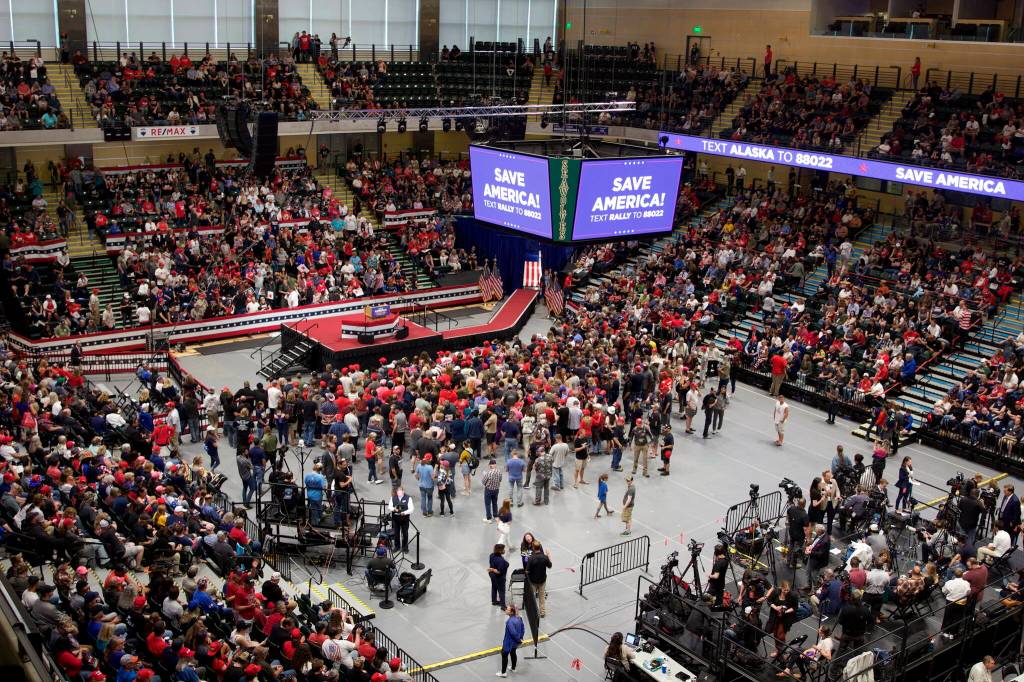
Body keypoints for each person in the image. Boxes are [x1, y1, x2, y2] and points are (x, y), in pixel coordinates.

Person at [765, 580, 798, 658]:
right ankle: (778, 650)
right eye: (784, 590)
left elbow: (795, 607)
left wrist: (785, 611)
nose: (786, 591)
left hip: (786, 618)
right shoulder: (776, 592)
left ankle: (782, 651)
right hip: (775, 616)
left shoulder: (792, 595)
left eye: (788, 590)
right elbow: (769, 601)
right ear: (781, 588)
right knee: (775, 634)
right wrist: (776, 608)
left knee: (781, 635)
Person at [497, 605, 525, 677]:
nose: (506, 610)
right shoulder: (519, 618)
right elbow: (522, 628)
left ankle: (503, 673)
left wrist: (519, 640)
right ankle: (513, 668)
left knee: (504, 655)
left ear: (511, 612)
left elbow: (513, 633)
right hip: (515, 643)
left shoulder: (509, 622)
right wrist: (521, 638)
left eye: (507, 610)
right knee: (513, 653)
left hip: (508, 642)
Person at [525, 542, 552, 618]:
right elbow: (550, 566)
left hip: (533, 581)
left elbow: (527, 571)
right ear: (540, 547)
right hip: (542, 581)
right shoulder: (544, 557)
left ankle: (532, 612)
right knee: (542, 597)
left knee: (532, 597)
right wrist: (548, 555)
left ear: (533, 548)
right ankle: (542, 612)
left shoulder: (531, 558)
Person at [387, 486, 414, 552]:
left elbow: (411, 509)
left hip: (404, 519)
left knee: (405, 533)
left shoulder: (408, 498)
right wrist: (394, 509)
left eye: (400, 491)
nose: (399, 493)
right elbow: (389, 506)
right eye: (398, 491)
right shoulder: (393, 498)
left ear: (403, 491)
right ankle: (397, 546)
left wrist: (404, 513)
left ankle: (405, 547)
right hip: (396, 519)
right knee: (396, 533)